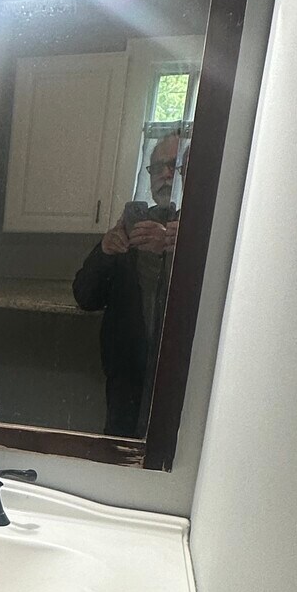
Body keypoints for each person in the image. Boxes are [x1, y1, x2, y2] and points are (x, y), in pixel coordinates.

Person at [72, 133, 185, 437]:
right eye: (157, 167)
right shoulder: (132, 228)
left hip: (181, 380)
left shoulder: (198, 234)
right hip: (126, 380)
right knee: (119, 450)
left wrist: (177, 247)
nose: (165, 174)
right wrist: (105, 250)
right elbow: (85, 296)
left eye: (174, 165)